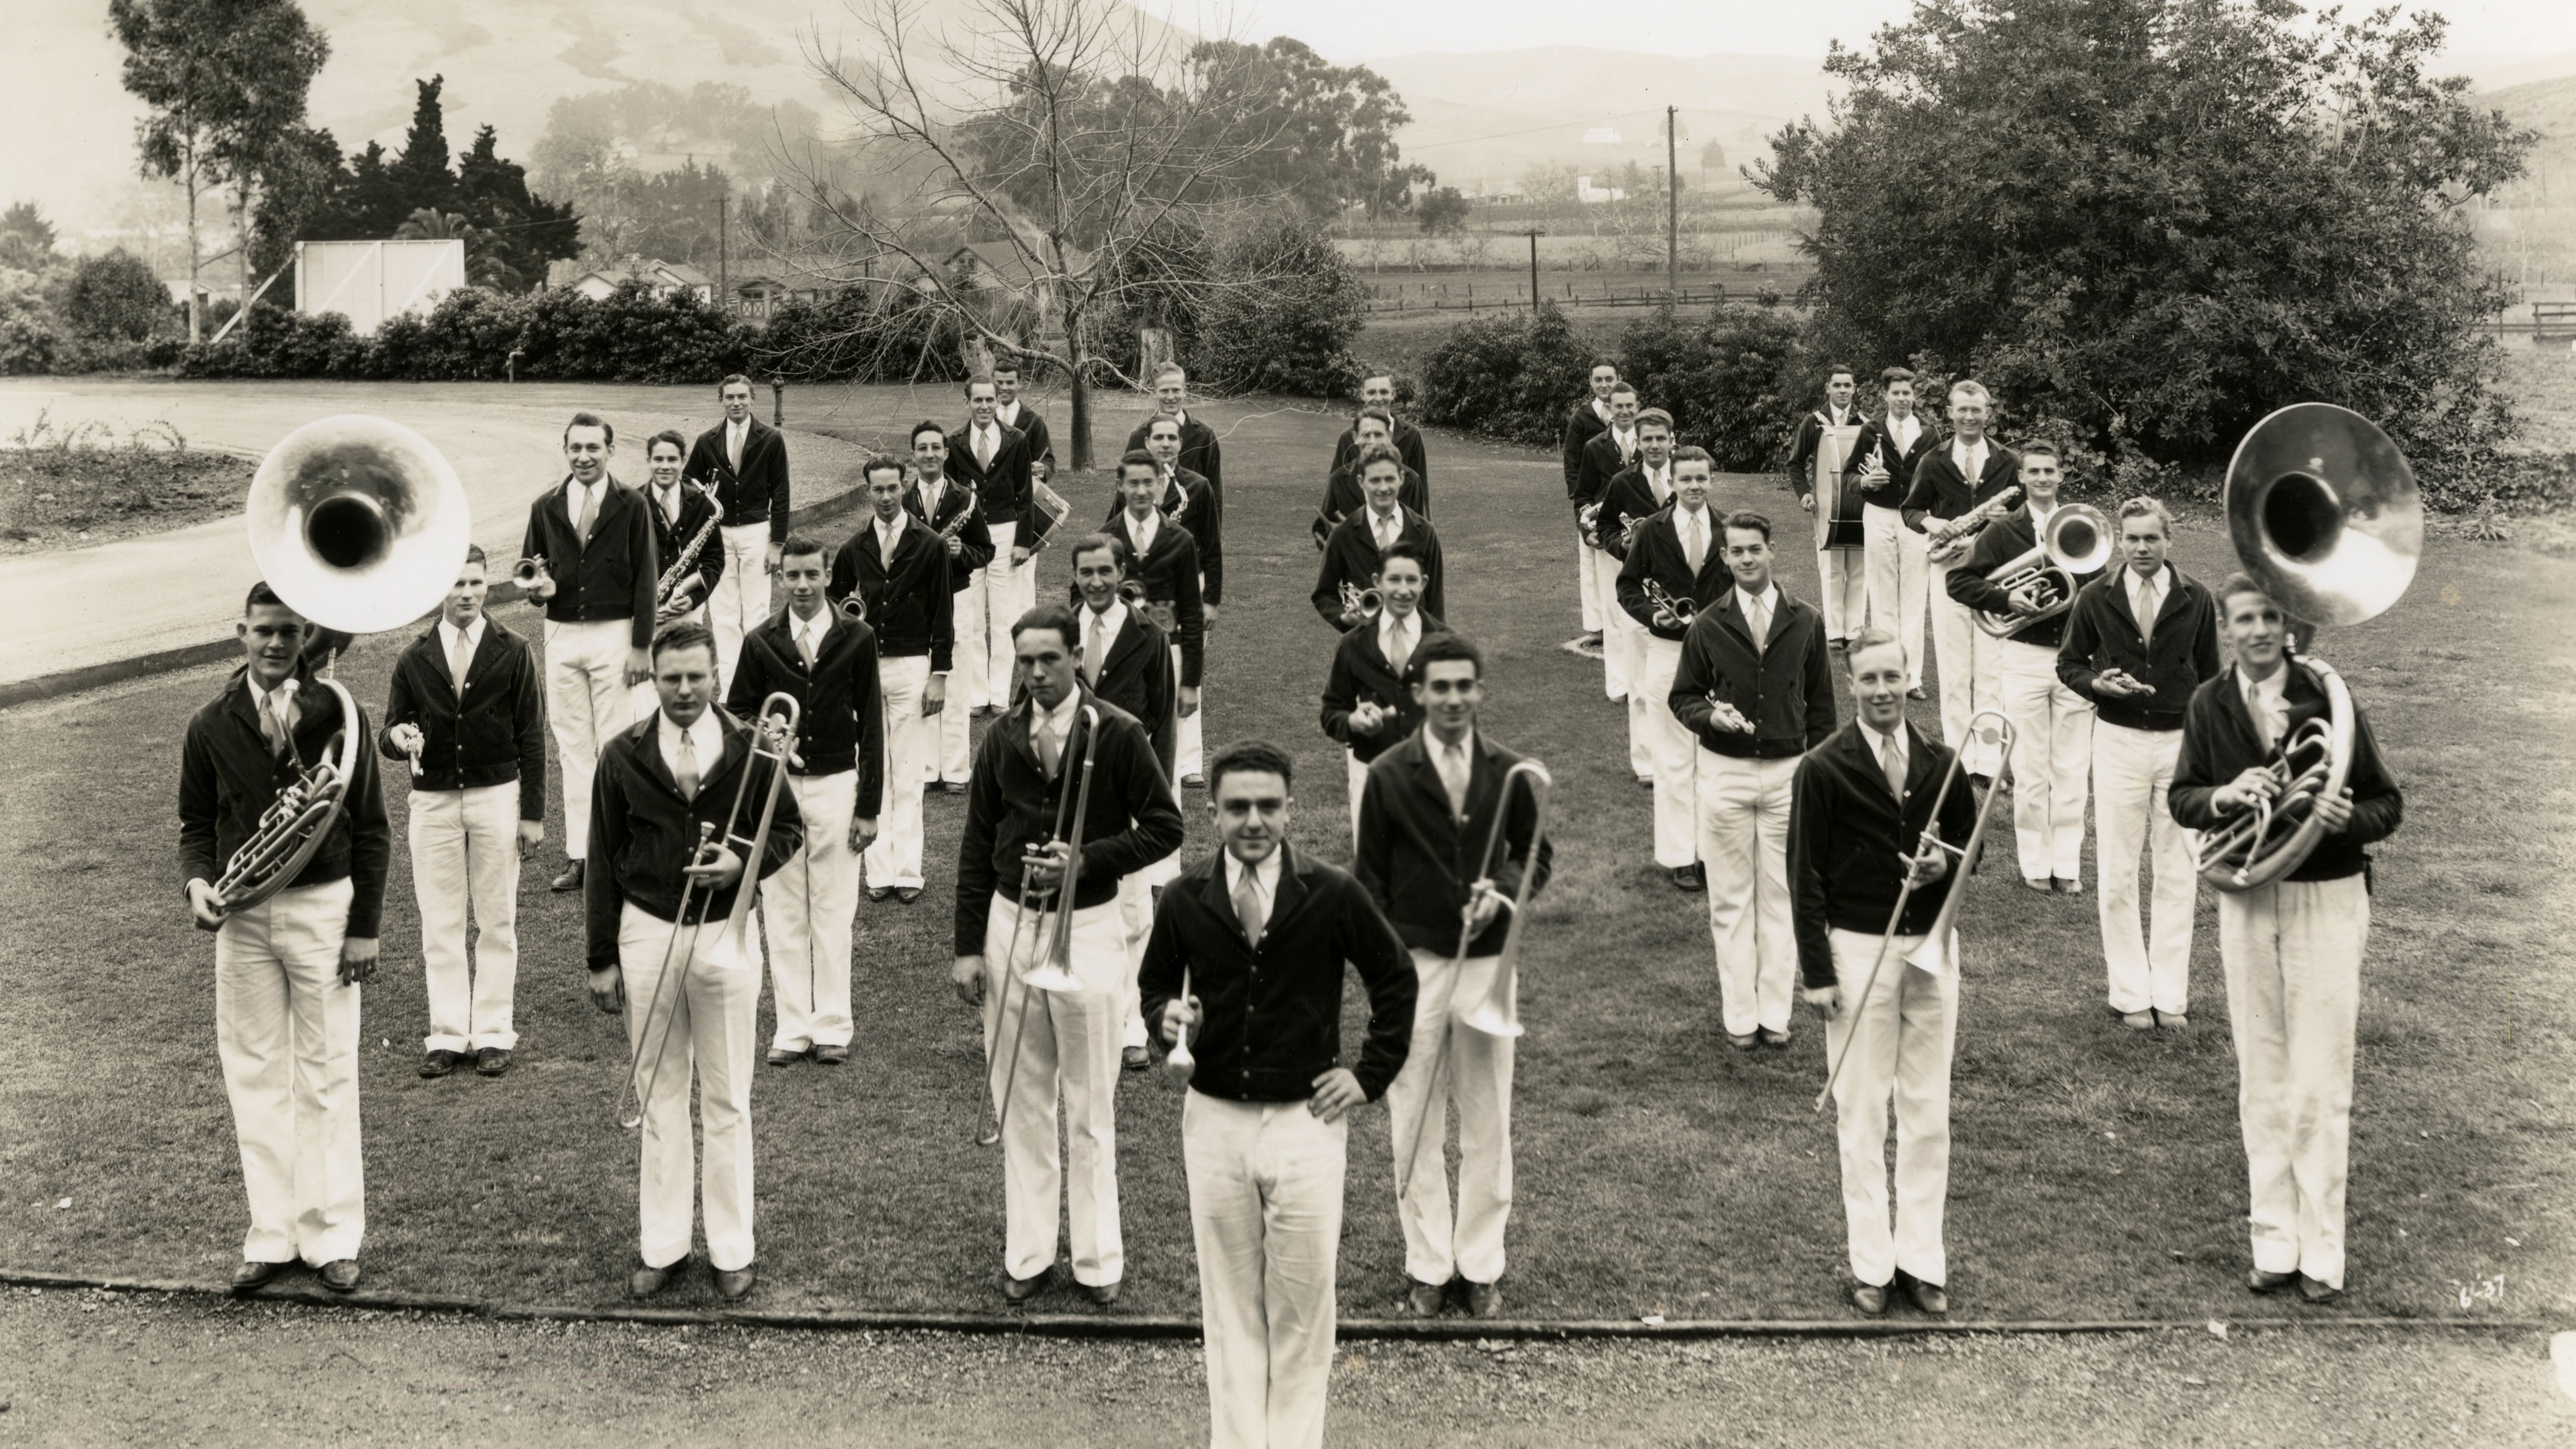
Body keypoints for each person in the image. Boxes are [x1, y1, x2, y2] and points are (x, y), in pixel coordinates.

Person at [1140, 739, 1416, 1449]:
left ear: (1290, 810)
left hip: (1306, 1124)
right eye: (1237, 807)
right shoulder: (1181, 897)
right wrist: (1164, 1018)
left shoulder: (1331, 892)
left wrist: (1367, 1074)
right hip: (1213, 1124)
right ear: (1211, 814)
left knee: (1300, 1308)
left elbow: (1394, 980)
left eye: (1267, 805)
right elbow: (1152, 985)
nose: (1253, 820)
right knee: (1229, 1307)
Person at [2170, 576, 2403, 1305]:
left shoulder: (2326, 697)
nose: (2258, 630)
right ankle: (2272, 1243)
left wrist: (2341, 817)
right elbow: (2182, 796)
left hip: (2324, 898)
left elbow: (2385, 804)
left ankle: (2321, 1256)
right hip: (2245, 896)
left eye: (2270, 616)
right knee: (2260, 1075)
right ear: (2226, 629)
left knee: (2319, 1080)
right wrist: (2222, 797)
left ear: (2287, 624)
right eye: (2244, 619)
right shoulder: (2208, 701)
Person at [953, 606, 1185, 1306]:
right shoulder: (1000, 736)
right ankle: (1027, 1254)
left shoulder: (1116, 732)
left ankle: (1096, 1259)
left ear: (1076, 655)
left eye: (1048, 659)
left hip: (1086, 928)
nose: (1035, 673)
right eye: (1024, 661)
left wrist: (1087, 859)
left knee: (1088, 1106)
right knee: (1020, 1101)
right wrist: (967, 947)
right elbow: (973, 844)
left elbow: (1166, 827)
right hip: (1009, 923)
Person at [584, 620, 805, 1303]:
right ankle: (664, 1244)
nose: (683, 690)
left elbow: (790, 829)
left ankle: (732, 1248)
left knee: (728, 1097)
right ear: (654, 678)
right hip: (647, 930)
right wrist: (600, 957)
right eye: (670, 677)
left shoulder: (753, 745)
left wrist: (744, 862)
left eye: (695, 676)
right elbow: (601, 855)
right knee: (659, 1095)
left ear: (715, 676)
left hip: (724, 935)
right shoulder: (622, 753)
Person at [181, 583, 390, 1295]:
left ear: (307, 639)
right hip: (242, 918)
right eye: (263, 631)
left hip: (325, 912)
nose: (275, 644)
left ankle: (332, 1235)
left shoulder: (341, 712)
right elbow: (194, 828)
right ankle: (271, 1235)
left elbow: (371, 828)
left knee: (328, 1071)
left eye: (289, 633)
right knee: (255, 1072)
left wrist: (364, 930)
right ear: (240, 632)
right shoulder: (209, 722)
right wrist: (197, 885)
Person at [1357, 632, 1553, 1319]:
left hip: (1485, 962)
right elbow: (1369, 883)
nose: (1451, 698)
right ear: (1417, 695)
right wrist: (1388, 971)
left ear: (1479, 692)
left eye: (1463, 686)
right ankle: (1427, 1263)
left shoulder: (1508, 770)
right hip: (1414, 966)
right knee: (1412, 1118)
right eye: (1437, 687)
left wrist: (1500, 890)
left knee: (1485, 1118)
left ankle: (1480, 1263)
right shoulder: (1385, 774)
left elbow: (1534, 852)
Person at [1790, 628, 1981, 1318]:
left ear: (1907, 679)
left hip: (1930, 945)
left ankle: (1920, 1262)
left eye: (1890, 678)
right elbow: (1803, 875)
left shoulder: (1941, 760)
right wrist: (1815, 971)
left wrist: (1947, 865)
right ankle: (1871, 1264)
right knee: (1862, 1113)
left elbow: (1970, 842)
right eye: (1866, 679)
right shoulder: (1821, 766)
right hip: (1855, 951)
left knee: (1927, 1113)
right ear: (1851, 685)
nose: (1879, 691)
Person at [1670, 511, 1836, 1050]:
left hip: (1789, 776)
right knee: (1731, 901)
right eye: (1736, 551)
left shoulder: (1806, 619)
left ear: (1772, 551)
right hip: (1725, 776)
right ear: (1724, 558)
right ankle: (1740, 1016)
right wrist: (1707, 718)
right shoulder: (1707, 624)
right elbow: (1683, 696)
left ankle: (1775, 1014)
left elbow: (1823, 711)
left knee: (1783, 899)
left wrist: (1819, 776)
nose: (1746, 559)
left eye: (1754, 549)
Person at [380, 546, 546, 1078]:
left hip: (497, 796)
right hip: (431, 803)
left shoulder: (513, 648)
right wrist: (397, 736)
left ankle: (494, 1032)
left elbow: (531, 737)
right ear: (439, 591)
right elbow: (391, 729)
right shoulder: (413, 656)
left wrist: (532, 814)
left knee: (497, 919)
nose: (468, 593)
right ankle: (449, 1034)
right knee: (441, 923)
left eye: (476, 582)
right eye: (457, 584)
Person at [2057, 498, 2220, 1029]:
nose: (2141, 548)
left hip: (2179, 746)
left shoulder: (2196, 597)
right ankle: (2130, 993)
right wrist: (2095, 684)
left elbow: (2212, 675)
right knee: (2118, 870)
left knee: (2178, 870)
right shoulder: (2094, 596)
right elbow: (2068, 664)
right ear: (2119, 542)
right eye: (2132, 539)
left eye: (2151, 538)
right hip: (2119, 742)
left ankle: (2170, 994)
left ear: (2168, 540)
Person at [728, 533, 886, 1066]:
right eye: (792, 576)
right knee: (783, 908)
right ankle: (793, 1026)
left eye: (811, 575)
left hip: (838, 783)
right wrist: (766, 734)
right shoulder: (760, 639)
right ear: (780, 578)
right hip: (779, 791)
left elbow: (874, 728)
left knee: (834, 910)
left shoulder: (858, 636)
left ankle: (833, 1025)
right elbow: (737, 715)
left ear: (827, 577)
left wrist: (868, 806)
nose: (801, 586)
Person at [1947, 442, 2104, 893]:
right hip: (2022, 656)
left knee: (2073, 768)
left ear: (2060, 476)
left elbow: (2100, 588)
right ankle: (2035, 864)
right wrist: (2004, 598)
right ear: (2021, 478)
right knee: (2031, 769)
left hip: (2075, 659)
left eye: (2049, 471)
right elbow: (1958, 580)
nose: (2041, 479)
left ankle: (2067, 864)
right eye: (2033, 471)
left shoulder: (2080, 526)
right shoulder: (2004, 530)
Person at [521, 411, 658, 895]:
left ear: (610, 451)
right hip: (561, 635)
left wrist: (642, 647)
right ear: (566, 451)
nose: (584, 457)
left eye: (593, 448)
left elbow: (647, 579)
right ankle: (581, 855)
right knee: (573, 749)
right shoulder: (545, 505)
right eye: (576, 448)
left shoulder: (632, 503)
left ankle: (622, 848)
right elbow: (531, 575)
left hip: (616, 635)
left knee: (618, 744)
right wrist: (539, 591)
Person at [1066, 531, 1180, 1072]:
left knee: (1133, 914)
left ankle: (1132, 1025)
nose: (1095, 582)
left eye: (1104, 572)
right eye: (1086, 572)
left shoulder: (1148, 635)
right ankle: (1082, 1019)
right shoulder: (1063, 629)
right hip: (1070, 793)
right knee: (1078, 908)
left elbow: (1162, 722)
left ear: (1120, 574)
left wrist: (1151, 795)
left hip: (1127, 793)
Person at [828, 456, 953, 905]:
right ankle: (877, 870)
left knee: (908, 771)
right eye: (877, 490)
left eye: (893, 489)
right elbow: (835, 614)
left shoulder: (931, 543)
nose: (885, 498)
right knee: (871, 771)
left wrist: (939, 675)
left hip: (912, 666)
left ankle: (907, 870)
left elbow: (943, 612)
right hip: (863, 670)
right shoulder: (851, 548)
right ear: (867, 493)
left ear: (906, 488)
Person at [1615, 446, 1731, 894]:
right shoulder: (1652, 529)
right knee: (1673, 756)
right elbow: (1627, 585)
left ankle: (1711, 851)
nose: (1695, 487)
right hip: (1668, 652)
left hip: (1719, 656)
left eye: (1702, 479)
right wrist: (1650, 615)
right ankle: (1681, 856)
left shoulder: (1727, 528)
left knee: (1715, 756)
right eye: (1686, 480)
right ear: (1675, 481)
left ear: (1711, 481)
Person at [1899, 380, 2017, 781]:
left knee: (1992, 669)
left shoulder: (2009, 461)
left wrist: (2008, 522)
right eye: (1961, 410)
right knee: (1952, 670)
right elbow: (1911, 510)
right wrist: (1934, 523)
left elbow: (2027, 515)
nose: (1969, 417)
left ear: (1989, 413)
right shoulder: (1933, 460)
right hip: (1948, 569)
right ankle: (1959, 759)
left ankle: (1988, 762)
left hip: (1994, 574)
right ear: (1949, 413)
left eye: (1977, 410)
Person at [1320, 541, 1445, 838]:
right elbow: (1331, 713)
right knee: (1375, 877)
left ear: (1424, 583)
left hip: (1431, 777)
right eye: (1394, 580)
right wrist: (1352, 721)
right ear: (1377, 583)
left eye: (1412, 580)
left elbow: (1466, 721)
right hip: (1371, 775)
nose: (1403, 590)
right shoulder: (1354, 644)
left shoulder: (1444, 643)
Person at [1103, 451, 1206, 786]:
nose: (1141, 491)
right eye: (1133, 483)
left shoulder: (1181, 540)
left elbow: (1192, 613)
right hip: (1119, 654)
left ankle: (1165, 835)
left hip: (1168, 652)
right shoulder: (1105, 539)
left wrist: (1190, 683)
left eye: (1149, 482)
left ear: (1161, 485)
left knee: (1166, 755)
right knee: (1120, 745)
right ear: (1120, 486)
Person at [685, 374, 791, 693]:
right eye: (730, 397)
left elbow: (782, 493)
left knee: (757, 612)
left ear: (752, 399)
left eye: (742, 397)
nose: (736, 403)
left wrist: (777, 544)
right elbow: (689, 480)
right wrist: (705, 495)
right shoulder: (707, 440)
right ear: (721, 400)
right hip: (718, 538)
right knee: (723, 615)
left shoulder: (771, 439)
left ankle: (759, 686)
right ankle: (732, 693)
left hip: (756, 533)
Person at [949, 378, 1043, 720]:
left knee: (1003, 616)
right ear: (968, 403)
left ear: (997, 403)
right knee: (972, 614)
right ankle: (977, 694)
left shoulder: (1016, 440)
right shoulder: (955, 443)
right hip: (971, 535)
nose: (985, 406)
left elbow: (1025, 494)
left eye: (990, 400)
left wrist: (1023, 541)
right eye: (978, 400)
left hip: (1005, 532)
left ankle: (1000, 694)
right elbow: (949, 493)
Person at [910, 423, 997, 790]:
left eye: (936, 448)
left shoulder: (965, 499)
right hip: (916, 600)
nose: (929, 454)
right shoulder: (901, 500)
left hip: (957, 594)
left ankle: (957, 771)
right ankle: (928, 770)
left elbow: (987, 550)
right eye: (922, 448)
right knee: (920, 680)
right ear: (913, 455)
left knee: (956, 681)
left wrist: (964, 554)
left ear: (946, 454)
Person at [1600, 407, 1678, 788]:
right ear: (1638, 443)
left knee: (1682, 683)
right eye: (1646, 439)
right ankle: (1646, 764)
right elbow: (1605, 527)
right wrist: (1622, 545)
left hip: (1680, 596)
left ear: (1671, 441)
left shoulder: (1687, 477)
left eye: (1660, 438)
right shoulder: (1622, 482)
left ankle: (1679, 759)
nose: (1653, 445)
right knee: (1641, 684)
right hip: (1639, 593)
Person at [1846, 368, 1936, 698]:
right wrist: (1863, 483)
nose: (1901, 399)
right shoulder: (1871, 430)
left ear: (1914, 395)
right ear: (1885, 395)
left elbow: (1940, 480)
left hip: (1916, 520)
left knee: (1913, 598)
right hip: (1879, 516)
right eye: (1895, 393)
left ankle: (1912, 678)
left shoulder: (1928, 433)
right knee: (1883, 597)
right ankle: (1886, 673)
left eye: (1907, 393)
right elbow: (1848, 476)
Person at [633, 429, 727, 720]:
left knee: (684, 687)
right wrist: (644, 607)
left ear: (683, 461)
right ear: (648, 461)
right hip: (644, 614)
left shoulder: (701, 503)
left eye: (672, 459)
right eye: (658, 459)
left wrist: (694, 598)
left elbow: (713, 558)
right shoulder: (632, 504)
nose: (665, 466)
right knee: (645, 691)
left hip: (685, 610)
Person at [1314, 446, 1444, 630]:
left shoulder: (1426, 532)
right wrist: (1343, 618)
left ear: (1401, 478)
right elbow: (1324, 593)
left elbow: (1436, 602)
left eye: (1390, 479)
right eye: (1375, 480)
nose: (1383, 488)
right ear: (1362, 482)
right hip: (1362, 643)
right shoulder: (1343, 534)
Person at [1788, 364, 1868, 648]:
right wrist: (1805, 494)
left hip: (1860, 506)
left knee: (1859, 571)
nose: (1843, 390)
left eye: (1847, 385)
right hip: (1825, 505)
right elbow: (1795, 464)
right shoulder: (1814, 422)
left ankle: (1855, 632)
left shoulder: (1866, 423)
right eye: (1837, 385)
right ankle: (1835, 633)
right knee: (1832, 569)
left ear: (1854, 388)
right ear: (1828, 388)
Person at [1574, 382, 1643, 701]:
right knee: (1614, 612)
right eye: (1619, 407)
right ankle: (1619, 686)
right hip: (1608, 538)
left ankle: (1645, 683)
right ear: (1610, 411)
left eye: (1630, 406)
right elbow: (1584, 495)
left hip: (1647, 543)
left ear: (1638, 407)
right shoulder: (1595, 447)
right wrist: (1586, 528)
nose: (1625, 412)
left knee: (1645, 611)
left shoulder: (1653, 444)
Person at [1560, 359, 1621, 652]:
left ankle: (1623, 622)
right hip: (1592, 505)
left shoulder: (1626, 414)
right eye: (1598, 380)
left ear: (1618, 379)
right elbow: (1572, 464)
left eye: (1609, 379)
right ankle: (1597, 628)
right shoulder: (1582, 418)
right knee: (1592, 567)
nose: (1604, 385)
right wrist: (1582, 507)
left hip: (1625, 504)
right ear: (1590, 383)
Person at [1139, 413, 1225, 621]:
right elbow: (1111, 535)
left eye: (1172, 438)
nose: (1166, 445)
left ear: (1181, 443)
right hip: (1141, 587)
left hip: (1187, 588)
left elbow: (1212, 548)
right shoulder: (1133, 484)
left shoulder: (1199, 486)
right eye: (1159, 438)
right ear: (1147, 443)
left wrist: (1211, 602)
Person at [1314, 408, 1429, 547]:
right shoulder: (1339, 480)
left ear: (1390, 436)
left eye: (1379, 435)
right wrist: (1335, 539)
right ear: (1356, 438)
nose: (1372, 441)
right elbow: (1323, 529)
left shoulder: (1411, 481)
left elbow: (1422, 533)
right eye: (1366, 435)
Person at [1125, 361, 1223, 504]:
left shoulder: (1205, 435)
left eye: (1176, 390)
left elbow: (1216, 491)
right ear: (1154, 393)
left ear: (1185, 391)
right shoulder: (1139, 437)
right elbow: (1126, 490)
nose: (1171, 397)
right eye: (1164, 391)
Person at [1327, 369, 1430, 485]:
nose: (1378, 399)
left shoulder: (1412, 435)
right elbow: (1336, 486)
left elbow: (1421, 487)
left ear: (1393, 394)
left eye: (1384, 392)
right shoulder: (1347, 438)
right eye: (1372, 393)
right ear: (1362, 395)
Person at [991, 361, 1054, 481]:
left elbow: (1048, 460)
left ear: (1020, 384)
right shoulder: (984, 418)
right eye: (999, 383)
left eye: (1010, 383)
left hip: (1023, 493)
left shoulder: (1035, 422)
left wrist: (1043, 469)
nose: (1004, 388)